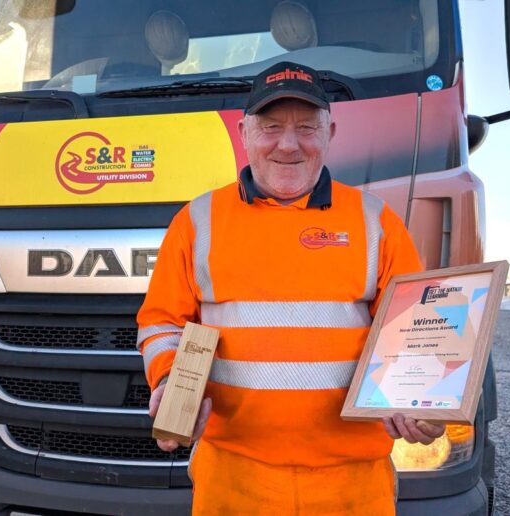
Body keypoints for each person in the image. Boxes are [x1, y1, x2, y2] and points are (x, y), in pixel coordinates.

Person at [136, 61, 445, 515]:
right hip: (232, 473)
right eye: (271, 127)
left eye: (305, 127)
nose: (287, 144)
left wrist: (423, 402)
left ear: (330, 133)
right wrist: (167, 378)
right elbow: (162, 321)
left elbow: (417, 331)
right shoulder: (196, 221)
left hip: (352, 479)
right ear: (243, 133)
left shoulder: (375, 221)